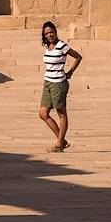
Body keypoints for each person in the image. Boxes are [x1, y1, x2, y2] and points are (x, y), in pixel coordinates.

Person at [38, 20, 82, 153]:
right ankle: (62, 140)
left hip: (59, 83)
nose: (49, 35)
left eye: (51, 32)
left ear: (56, 32)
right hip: (47, 83)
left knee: (61, 113)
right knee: (43, 114)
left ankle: (59, 143)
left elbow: (78, 57)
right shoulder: (47, 46)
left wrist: (70, 72)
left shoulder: (62, 46)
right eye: (46, 33)